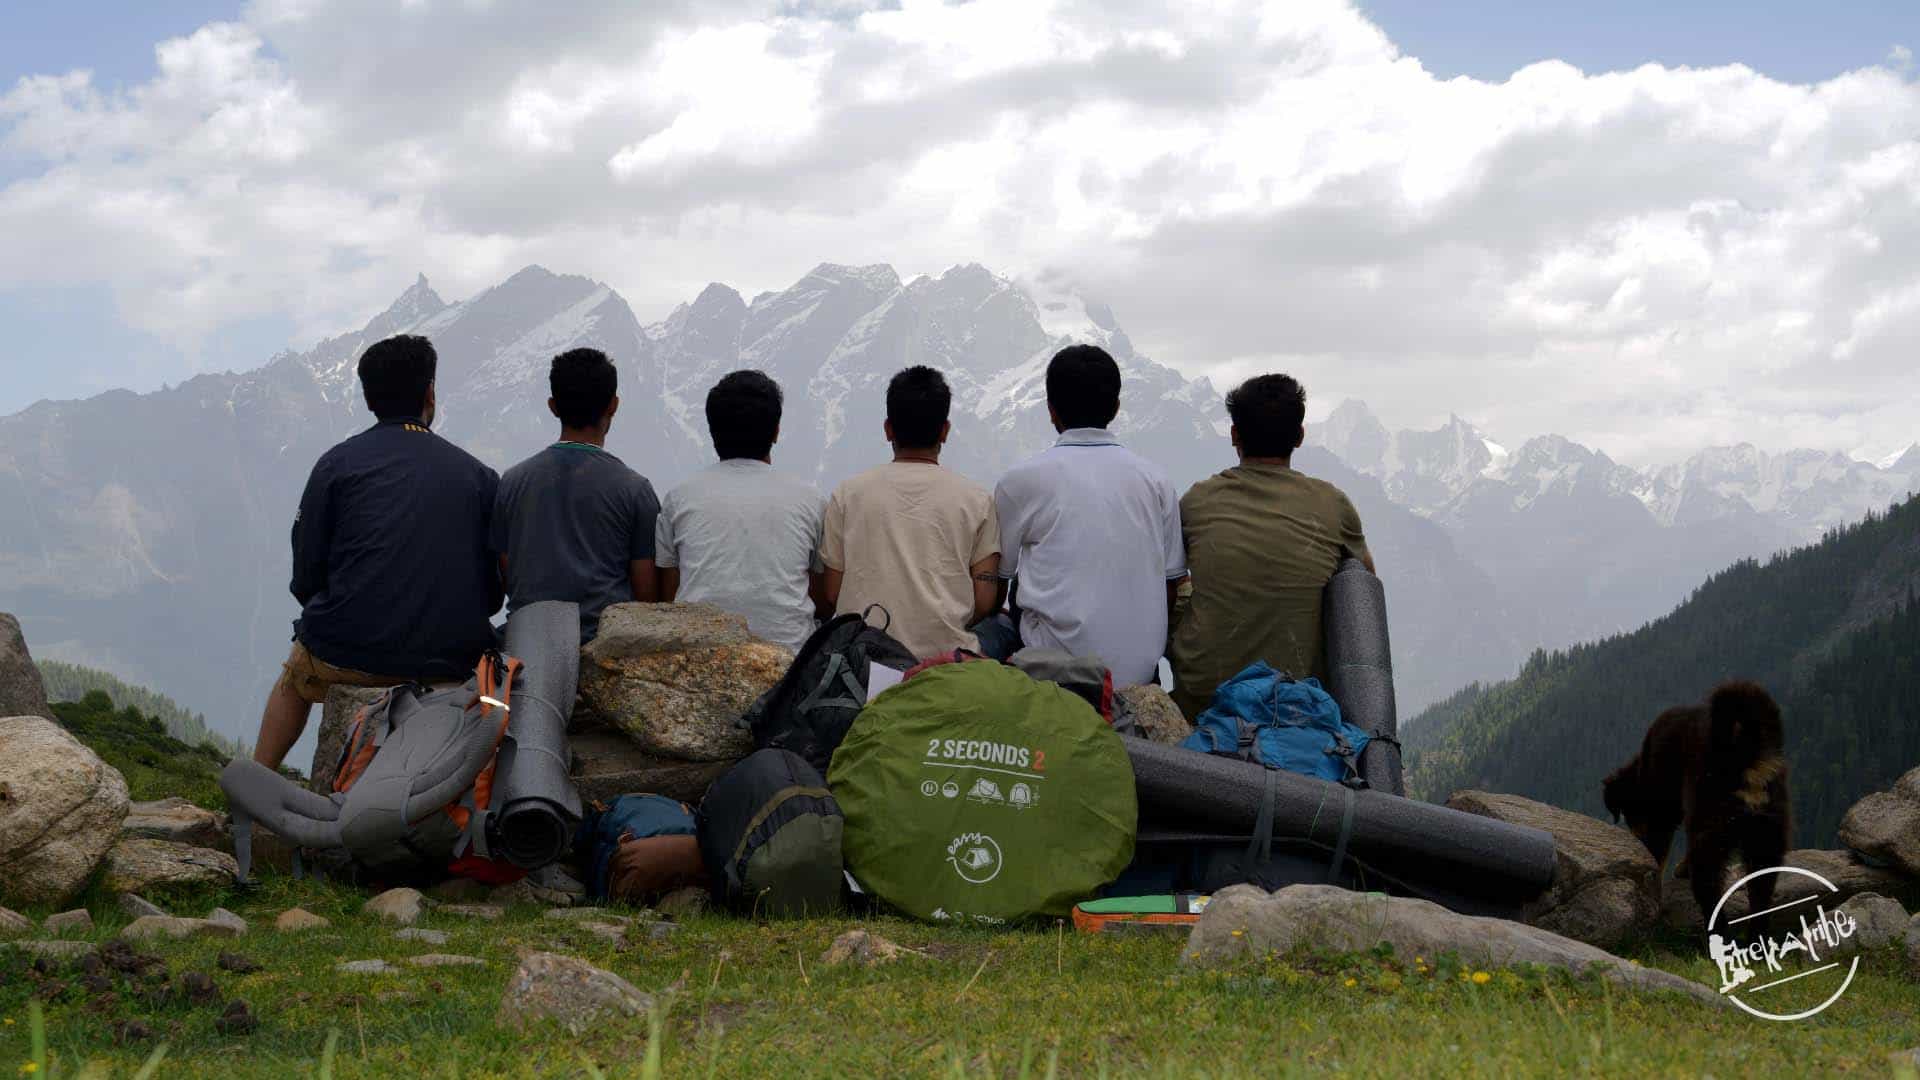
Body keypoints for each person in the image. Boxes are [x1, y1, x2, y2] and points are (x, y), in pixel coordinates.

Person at [253, 334, 501, 769]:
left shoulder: (337, 465)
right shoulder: (478, 476)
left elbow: (308, 573)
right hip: (452, 657)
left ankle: (255, 786)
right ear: (430, 393)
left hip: (347, 650)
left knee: (294, 679)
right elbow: (494, 591)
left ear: (368, 399)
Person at [1167, 373, 1374, 719]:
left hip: (1204, 702)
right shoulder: (1333, 504)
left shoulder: (1198, 500)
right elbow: (1363, 588)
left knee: (1177, 586)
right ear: (1300, 436)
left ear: (1235, 435)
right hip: (1292, 703)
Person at [987, 344, 1185, 685]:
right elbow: (1170, 587)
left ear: (1051, 410)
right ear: (1116, 407)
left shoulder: (1020, 481)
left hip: (1053, 673)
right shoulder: (1157, 482)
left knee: (996, 619)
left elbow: (997, 583)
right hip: (1138, 675)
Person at [820, 366, 1000, 658]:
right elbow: (983, 599)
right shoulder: (977, 500)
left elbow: (831, 594)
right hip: (946, 661)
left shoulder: (847, 495)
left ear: (888, 429)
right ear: (945, 431)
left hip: (862, 661)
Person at [492, 348, 661, 642]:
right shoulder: (635, 489)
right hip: (603, 646)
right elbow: (647, 598)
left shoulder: (512, 482)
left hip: (527, 644)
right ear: (614, 405)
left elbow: (509, 576)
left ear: (553, 406)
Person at [655, 370, 828, 652]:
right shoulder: (811, 500)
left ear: (712, 431)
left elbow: (668, 598)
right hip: (791, 668)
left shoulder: (679, 498)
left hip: (697, 665)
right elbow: (822, 601)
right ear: (776, 431)